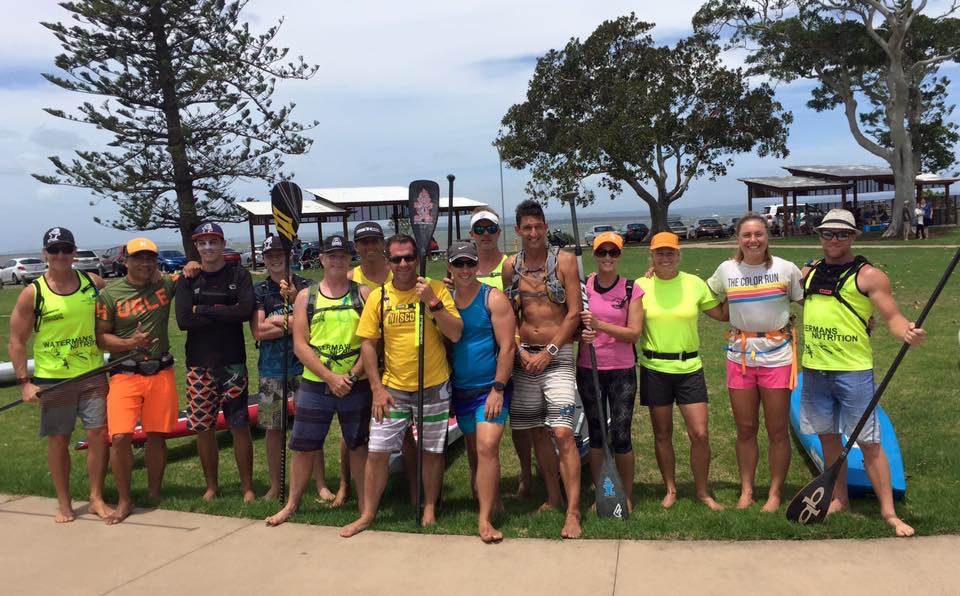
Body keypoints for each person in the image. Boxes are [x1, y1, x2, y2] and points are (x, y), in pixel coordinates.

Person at [799, 209, 925, 537]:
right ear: (820, 236)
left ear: (854, 236)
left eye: (842, 233)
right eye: (828, 233)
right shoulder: (808, 272)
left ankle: (889, 513)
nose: (834, 239)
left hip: (853, 372)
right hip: (814, 370)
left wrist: (906, 332)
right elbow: (813, 307)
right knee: (828, 438)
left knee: (869, 442)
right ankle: (839, 499)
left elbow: (892, 316)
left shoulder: (869, 276)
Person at [340, 234, 462, 537]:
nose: (404, 263)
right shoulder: (379, 297)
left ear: (418, 258)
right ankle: (368, 514)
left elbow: (456, 333)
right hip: (392, 389)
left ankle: (429, 507)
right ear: (388, 261)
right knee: (378, 451)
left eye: (409, 257)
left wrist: (432, 302)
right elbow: (369, 345)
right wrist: (376, 389)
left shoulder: (435, 289)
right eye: (396, 259)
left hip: (433, 385)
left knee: (432, 451)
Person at [266, 235, 373, 526]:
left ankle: (364, 506)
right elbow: (300, 345)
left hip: (355, 382)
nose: (337, 260)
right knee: (304, 446)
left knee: (358, 445)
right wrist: (329, 377)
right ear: (322, 259)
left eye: (342, 255)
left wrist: (351, 375)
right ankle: (291, 505)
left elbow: (372, 342)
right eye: (331, 255)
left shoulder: (363, 294)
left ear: (349, 259)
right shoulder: (306, 296)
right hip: (315, 382)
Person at [8, 227, 110, 523]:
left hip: (92, 373)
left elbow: (123, 302)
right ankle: (64, 503)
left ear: (75, 252)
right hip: (54, 380)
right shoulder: (34, 293)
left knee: (98, 435)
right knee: (59, 439)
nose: (61, 255)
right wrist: (25, 383)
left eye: (66, 249)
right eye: (54, 250)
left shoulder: (93, 283)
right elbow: (16, 341)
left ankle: (96, 497)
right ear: (45, 254)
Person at [95, 238, 198, 523]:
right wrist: (130, 342)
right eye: (138, 258)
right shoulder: (110, 295)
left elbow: (190, 271)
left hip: (160, 371)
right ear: (125, 261)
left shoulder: (164, 284)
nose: (145, 263)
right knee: (120, 437)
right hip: (125, 373)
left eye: (150, 257)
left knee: (157, 434)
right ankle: (124, 500)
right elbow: (101, 338)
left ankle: (154, 492)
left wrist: (192, 263)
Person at [706, 215, 803, 512]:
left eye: (759, 234)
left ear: (767, 236)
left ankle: (774, 493)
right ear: (738, 238)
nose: (753, 240)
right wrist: (725, 315)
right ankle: (747, 490)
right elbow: (702, 297)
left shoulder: (785, 269)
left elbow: (811, 300)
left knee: (777, 429)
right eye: (747, 235)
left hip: (778, 356)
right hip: (740, 356)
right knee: (745, 428)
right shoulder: (726, 270)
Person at [502, 200, 584, 539]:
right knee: (537, 431)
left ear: (546, 227)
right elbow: (509, 315)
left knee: (563, 432)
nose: (533, 233)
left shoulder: (564, 261)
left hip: (557, 355)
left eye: (538, 226)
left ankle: (573, 511)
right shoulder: (511, 266)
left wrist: (549, 351)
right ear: (518, 230)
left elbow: (574, 312)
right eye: (527, 227)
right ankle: (552, 496)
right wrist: (520, 350)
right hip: (525, 358)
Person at [638, 232, 726, 511]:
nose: (665, 258)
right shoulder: (640, 285)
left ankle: (702, 491)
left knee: (700, 433)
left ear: (678, 255)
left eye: (670, 253)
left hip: (689, 368)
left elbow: (722, 314)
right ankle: (671, 489)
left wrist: (741, 289)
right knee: (662, 434)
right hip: (654, 368)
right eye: (659, 253)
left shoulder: (694, 284)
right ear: (651, 256)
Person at [175, 222, 256, 502]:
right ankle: (212, 486)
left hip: (233, 363)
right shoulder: (188, 279)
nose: (208, 247)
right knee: (203, 428)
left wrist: (203, 309)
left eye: (213, 241)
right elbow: (184, 320)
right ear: (196, 246)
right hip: (199, 365)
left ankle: (247, 487)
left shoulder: (239, 274)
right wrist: (225, 310)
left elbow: (244, 311)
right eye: (202, 242)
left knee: (239, 425)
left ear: (223, 244)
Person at [250, 235, 333, 501]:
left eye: (280, 254)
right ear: (264, 259)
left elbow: (315, 322)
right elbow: (258, 331)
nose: (275, 259)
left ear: (290, 256)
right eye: (270, 255)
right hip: (272, 368)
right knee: (273, 428)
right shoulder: (260, 291)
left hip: (305, 366)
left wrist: (286, 311)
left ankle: (320, 483)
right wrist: (293, 321)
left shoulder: (306, 286)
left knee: (311, 426)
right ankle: (276, 485)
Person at [448, 240, 516, 542]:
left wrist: (498, 389)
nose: (465, 269)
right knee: (474, 448)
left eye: (470, 263)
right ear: (449, 267)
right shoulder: (446, 301)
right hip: (460, 389)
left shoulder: (494, 298)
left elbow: (507, 347)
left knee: (487, 446)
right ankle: (489, 497)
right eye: (458, 263)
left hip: (490, 388)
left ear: (477, 266)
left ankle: (485, 519)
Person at [470, 208, 534, 498]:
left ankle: (526, 475)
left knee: (521, 423)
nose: (485, 235)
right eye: (479, 230)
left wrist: (517, 346)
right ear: (472, 234)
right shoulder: (463, 265)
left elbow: (521, 309)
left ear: (499, 231)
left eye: (490, 229)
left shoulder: (510, 266)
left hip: (511, 352)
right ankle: (478, 481)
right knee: (476, 426)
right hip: (478, 358)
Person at [578, 232, 644, 512]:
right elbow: (574, 324)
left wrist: (601, 325)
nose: (607, 257)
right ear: (594, 255)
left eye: (613, 252)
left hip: (621, 371)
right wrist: (581, 333)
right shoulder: (583, 287)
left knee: (621, 435)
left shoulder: (631, 289)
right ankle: (603, 494)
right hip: (589, 368)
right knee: (596, 434)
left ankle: (625, 495)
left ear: (619, 255)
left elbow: (634, 333)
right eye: (602, 252)